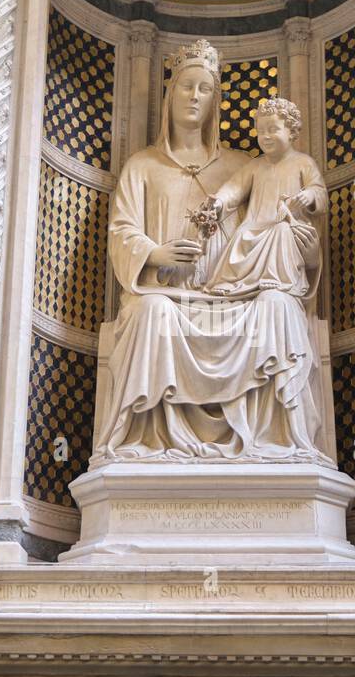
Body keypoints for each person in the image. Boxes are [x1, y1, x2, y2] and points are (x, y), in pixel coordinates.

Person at [91, 39, 331, 464]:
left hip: (236, 296)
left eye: (204, 89)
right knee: (152, 314)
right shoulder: (142, 166)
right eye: (186, 87)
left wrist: (307, 254)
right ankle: (141, 443)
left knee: (278, 305)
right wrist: (155, 253)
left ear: (215, 100)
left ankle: (281, 443)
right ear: (170, 95)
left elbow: (290, 235)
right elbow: (122, 231)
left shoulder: (245, 165)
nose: (195, 97)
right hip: (169, 296)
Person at [203, 97, 327, 299]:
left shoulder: (303, 163)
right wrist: (218, 202)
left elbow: (319, 191)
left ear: (292, 131)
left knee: (282, 231)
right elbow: (234, 189)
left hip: (288, 225)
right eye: (261, 132)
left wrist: (309, 196)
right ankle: (231, 282)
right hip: (256, 225)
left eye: (273, 129)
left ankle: (277, 276)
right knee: (242, 235)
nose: (265, 136)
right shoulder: (255, 166)